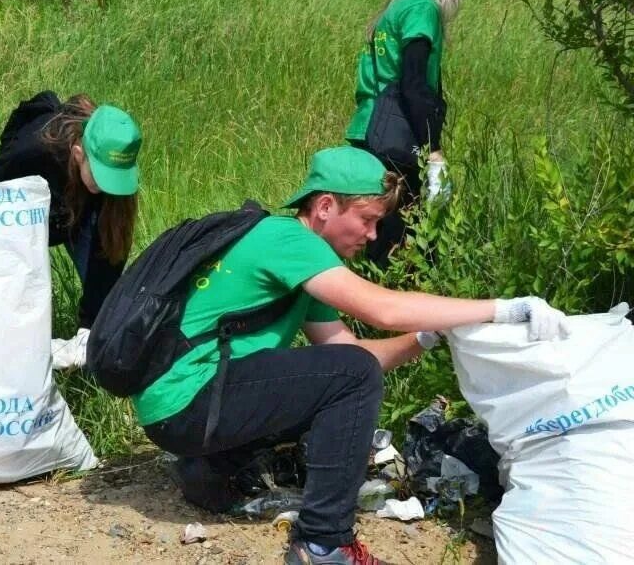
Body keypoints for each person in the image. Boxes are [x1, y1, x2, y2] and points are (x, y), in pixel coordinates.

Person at [132, 146, 567, 565]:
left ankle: (207, 470)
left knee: (343, 378)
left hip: (179, 409)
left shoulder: (298, 261)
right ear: (324, 206)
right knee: (350, 379)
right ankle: (323, 543)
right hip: (188, 404)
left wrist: (426, 337)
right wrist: (505, 309)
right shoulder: (286, 240)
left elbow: (352, 355)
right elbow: (383, 311)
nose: (373, 235)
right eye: (367, 219)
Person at [344, 0, 490, 265]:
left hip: (372, 129)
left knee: (379, 227)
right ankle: (403, 311)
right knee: (407, 235)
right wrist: (433, 149)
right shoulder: (422, 8)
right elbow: (413, 83)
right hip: (397, 138)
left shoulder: (400, 4)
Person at [0, 91, 141, 367]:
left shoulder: (114, 188)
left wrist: (90, 329)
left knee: (108, 310)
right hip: (21, 218)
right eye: (102, 177)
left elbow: (110, 255)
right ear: (79, 154)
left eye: (115, 180)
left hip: (74, 216)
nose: (108, 187)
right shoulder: (31, 153)